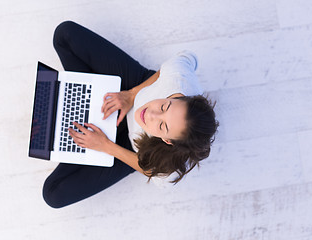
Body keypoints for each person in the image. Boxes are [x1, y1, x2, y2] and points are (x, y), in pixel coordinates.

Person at [42, 21, 218, 208]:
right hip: (133, 87)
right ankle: (88, 98)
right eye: (165, 106)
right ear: (178, 96)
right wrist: (131, 95)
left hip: (129, 145)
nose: (150, 114)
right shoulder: (179, 78)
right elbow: (188, 58)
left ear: (168, 141)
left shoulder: (171, 167)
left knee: (54, 193)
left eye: (162, 126)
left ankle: (88, 104)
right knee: (64, 34)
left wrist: (106, 146)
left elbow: (151, 170)